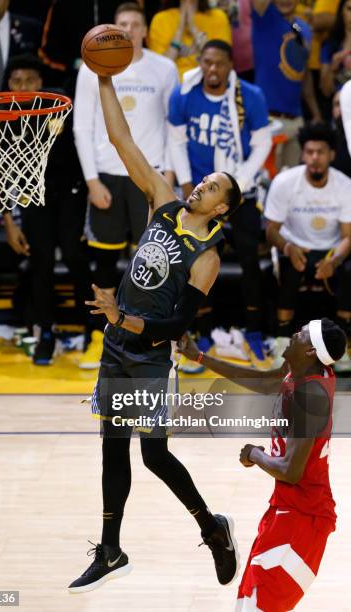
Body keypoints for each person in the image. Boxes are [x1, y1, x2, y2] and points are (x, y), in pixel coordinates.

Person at [67, 69, 243, 592]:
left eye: (212, 187)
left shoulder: (206, 257)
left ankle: (211, 528)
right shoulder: (163, 202)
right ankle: (112, 549)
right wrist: (102, 79)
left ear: (222, 209)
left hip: (147, 357)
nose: (201, 185)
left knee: (153, 454)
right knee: (111, 448)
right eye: (203, 181)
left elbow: (176, 325)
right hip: (116, 345)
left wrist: (120, 315)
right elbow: (122, 140)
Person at [179, 317, 346, 612]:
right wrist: (201, 358)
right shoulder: (298, 370)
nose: (295, 333)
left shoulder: (311, 397)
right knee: (247, 604)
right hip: (286, 508)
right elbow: (265, 382)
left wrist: (254, 454)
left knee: (257, 608)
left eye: (303, 334)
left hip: (304, 518)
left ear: (310, 351)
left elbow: (291, 471)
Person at [74, 2, 183, 369]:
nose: (129, 29)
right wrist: (90, 178)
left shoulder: (164, 68)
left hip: (148, 176)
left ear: (144, 31)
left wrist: (168, 171)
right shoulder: (93, 67)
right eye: (122, 24)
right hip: (106, 175)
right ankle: (100, 334)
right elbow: (82, 127)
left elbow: (173, 124)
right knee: (104, 260)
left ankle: (152, 335)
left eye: (136, 24)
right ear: (112, 29)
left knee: (153, 264)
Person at [168, 39, 272, 365]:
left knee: (250, 265)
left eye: (220, 64)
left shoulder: (249, 97)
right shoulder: (184, 95)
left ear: (230, 66)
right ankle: (200, 331)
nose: (213, 69)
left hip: (241, 195)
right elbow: (176, 141)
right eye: (207, 62)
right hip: (201, 194)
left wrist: (237, 185)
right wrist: (188, 186)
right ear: (200, 62)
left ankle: (254, 333)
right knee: (194, 265)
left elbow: (263, 143)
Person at [1, 55, 90, 365]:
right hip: (31, 197)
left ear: (40, 83)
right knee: (41, 264)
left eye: (29, 80)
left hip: (70, 193)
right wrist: (9, 222)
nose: (23, 86)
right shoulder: (2, 118)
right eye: (16, 81)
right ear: (9, 85)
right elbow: (2, 176)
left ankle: (92, 327)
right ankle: (46, 332)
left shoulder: (61, 106)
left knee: (75, 256)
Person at [264, 123, 351, 371]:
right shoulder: (284, 182)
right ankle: (281, 339)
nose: (315, 158)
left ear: (331, 155)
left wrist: (334, 261)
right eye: (310, 152)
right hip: (296, 245)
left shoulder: (344, 185)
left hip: (331, 249)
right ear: (302, 154)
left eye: (320, 152)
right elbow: (271, 229)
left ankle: (342, 344)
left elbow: (348, 235)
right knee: (289, 268)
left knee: (348, 270)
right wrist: (288, 247)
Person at [251, 0, 321, 169]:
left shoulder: (303, 28)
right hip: (269, 120)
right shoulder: (265, 17)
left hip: (296, 120)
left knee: (291, 186)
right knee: (266, 184)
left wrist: (315, 113)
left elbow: (303, 74)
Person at [148, 0, 231, 78]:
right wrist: (180, 28)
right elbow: (160, 68)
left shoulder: (219, 17)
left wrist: (193, 28)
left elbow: (220, 60)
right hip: (172, 85)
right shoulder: (160, 19)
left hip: (207, 83)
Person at [320, 0, 351, 98]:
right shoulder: (330, 45)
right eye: (350, 9)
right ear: (341, 12)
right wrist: (332, 68)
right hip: (339, 108)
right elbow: (326, 91)